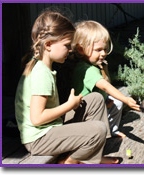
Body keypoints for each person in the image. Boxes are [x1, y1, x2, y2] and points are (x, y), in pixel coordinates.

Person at [14, 10, 118, 164]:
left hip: (50, 129)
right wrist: (69, 106)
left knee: (95, 99)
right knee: (98, 130)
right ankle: (71, 161)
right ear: (49, 45)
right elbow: (37, 118)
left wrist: (70, 106)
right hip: (39, 139)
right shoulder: (41, 73)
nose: (70, 51)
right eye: (67, 45)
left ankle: (89, 156)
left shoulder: (43, 67)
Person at [70, 20, 140, 138]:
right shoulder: (86, 69)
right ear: (81, 49)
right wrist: (126, 99)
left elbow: (106, 82)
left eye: (105, 49)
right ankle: (102, 136)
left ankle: (112, 130)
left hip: (96, 106)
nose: (103, 53)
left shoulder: (93, 65)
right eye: (98, 50)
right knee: (118, 101)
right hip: (86, 113)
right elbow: (105, 86)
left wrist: (104, 69)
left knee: (115, 102)